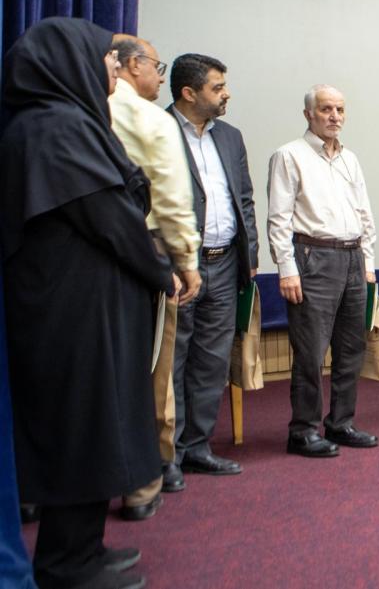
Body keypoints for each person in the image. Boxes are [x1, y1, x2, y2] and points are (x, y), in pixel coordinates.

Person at [2, 17, 172, 589]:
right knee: (83, 428)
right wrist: (161, 269)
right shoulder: (56, 128)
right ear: (69, 61)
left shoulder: (63, 123)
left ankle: (83, 547)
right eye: (106, 59)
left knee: (98, 426)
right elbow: (113, 219)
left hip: (84, 306)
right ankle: (67, 565)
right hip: (72, 314)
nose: (113, 70)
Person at [108, 35, 202, 521]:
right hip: (144, 256)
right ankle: (149, 476)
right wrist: (186, 261)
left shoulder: (77, 112)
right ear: (131, 65)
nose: (160, 77)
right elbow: (169, 195)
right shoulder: (149, 119)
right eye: (157, 67)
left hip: (77, 263)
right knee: (151, 371)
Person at [268, 85, 379, 457]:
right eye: (326, 109)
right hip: (313, 257)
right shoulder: (289, 155)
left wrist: (368, 263)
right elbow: (279, 218)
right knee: (311, 352)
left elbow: (364, 214)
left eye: (340, 110)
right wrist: (286, 268)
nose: (335, 116)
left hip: (353, 258)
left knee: (351, 348)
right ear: (308, 114)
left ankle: (341, 422)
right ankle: (302, 430)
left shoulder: (350, 159)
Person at [168, 53, 257, 477]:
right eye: (217, 87)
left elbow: (245, 200)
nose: (226, 94)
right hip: (177, 267)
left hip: (225, 264)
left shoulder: (230, 137)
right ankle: (166, 457)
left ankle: (197, 446)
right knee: (172, 362)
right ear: (189, 93)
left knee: (211, 361)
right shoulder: (159, 130)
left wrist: (250, 255)